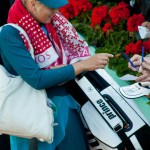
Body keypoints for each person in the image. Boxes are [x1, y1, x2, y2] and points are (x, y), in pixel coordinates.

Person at [0, 0, 113, 150]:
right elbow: (37, 79)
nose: (57, 12)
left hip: (65, 107)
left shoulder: (51, 23)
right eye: (52, 7)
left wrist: (67, 69)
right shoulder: (9, 33)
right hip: (35, 118)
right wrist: (81, 65)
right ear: (33, 3)